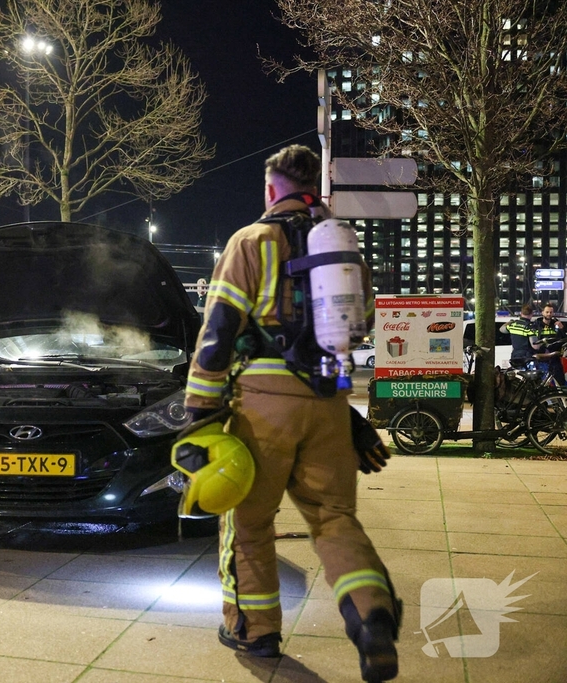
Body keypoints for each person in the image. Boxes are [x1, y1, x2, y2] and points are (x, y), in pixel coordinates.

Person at [183, 145, 400, 681]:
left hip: (261, 410)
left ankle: (253, 631)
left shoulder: (250, 242)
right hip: (328, 404)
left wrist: (199, 414)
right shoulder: (345, 254)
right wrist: (347, 415)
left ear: (271, 190)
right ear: (314, 190)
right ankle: (371, 616)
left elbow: (216, 336)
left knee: (249, 522)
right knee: (334, 520)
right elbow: (350, 334)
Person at [529, 303, 566, 384]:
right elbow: (533, 342)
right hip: (541, 359)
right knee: (541, 383)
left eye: (551, 312)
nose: (549, 314)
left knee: (560, 382)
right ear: (542, 313)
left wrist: (562, 328)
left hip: (555, 359)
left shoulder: (556, 324)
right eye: (547, 312)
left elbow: (563, 339)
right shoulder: (536, 325)